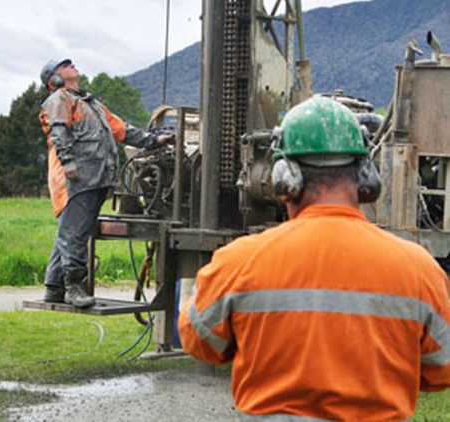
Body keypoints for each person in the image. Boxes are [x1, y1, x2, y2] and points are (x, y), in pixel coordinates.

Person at [178, 96, 450, 421]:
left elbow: (200, 342)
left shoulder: (239, 261)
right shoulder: (418, 268)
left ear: (285, 179)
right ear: (366, 176)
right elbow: (440, 372)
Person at [39, 59, 172, 308]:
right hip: (75, 180)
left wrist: (157, 139)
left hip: (95, 179)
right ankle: (75, 289)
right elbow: (58, 131)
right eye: (65, 65)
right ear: (54, 79)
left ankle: (54, 288)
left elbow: (122, 131)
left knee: (70, 232)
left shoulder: (93, 105)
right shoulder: (59, 99)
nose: (72, 65)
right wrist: (69, 164)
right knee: (74, 235)